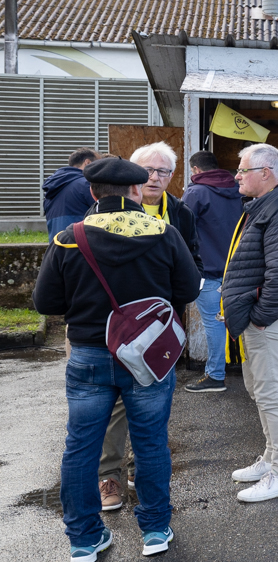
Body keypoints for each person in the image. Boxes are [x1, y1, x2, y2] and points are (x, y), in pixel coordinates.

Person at [33, 157, 202, 562]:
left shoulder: (70, 238)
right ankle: (155, 530)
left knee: (80, 446)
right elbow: (188, 289)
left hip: (89, 355)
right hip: (147, 357)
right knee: (150, 442)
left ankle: (84, 540)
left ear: (93, 192)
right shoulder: (164, 233)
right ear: (136, 191)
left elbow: (46, 302)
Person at [95, 141, 204, 508]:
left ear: (172, 176)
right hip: (111, 327)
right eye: (147, 170)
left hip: (159, 328)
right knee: (114, 407)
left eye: (163, 171)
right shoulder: (105, 210)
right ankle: (109, 477)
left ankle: (140, 472)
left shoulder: (181, 213)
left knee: (152, 405)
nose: (154, 177)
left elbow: (193, 260)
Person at [223, 143, 278, 502]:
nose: (237, 176)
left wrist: (260, 318)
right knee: (261, 392)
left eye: (243, 170)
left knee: (272, 396)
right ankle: (272, 458)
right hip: (260, 319)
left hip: (268, 320)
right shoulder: (264, 207)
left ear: (266, 173)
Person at [181, 150, 243, 393]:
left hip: (207, 269)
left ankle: (216, 376)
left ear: (196, 169)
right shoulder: (239, 189)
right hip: (237, 269)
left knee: (213, 323)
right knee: (241, 319)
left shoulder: (196, 192)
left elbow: (182, 230)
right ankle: (247, 370)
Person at [43, 147, 99, 239]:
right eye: (98, 164)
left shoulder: (52, 189)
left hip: (57, 245)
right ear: (88, 163)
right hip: (79, 245)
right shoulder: (85, 185)